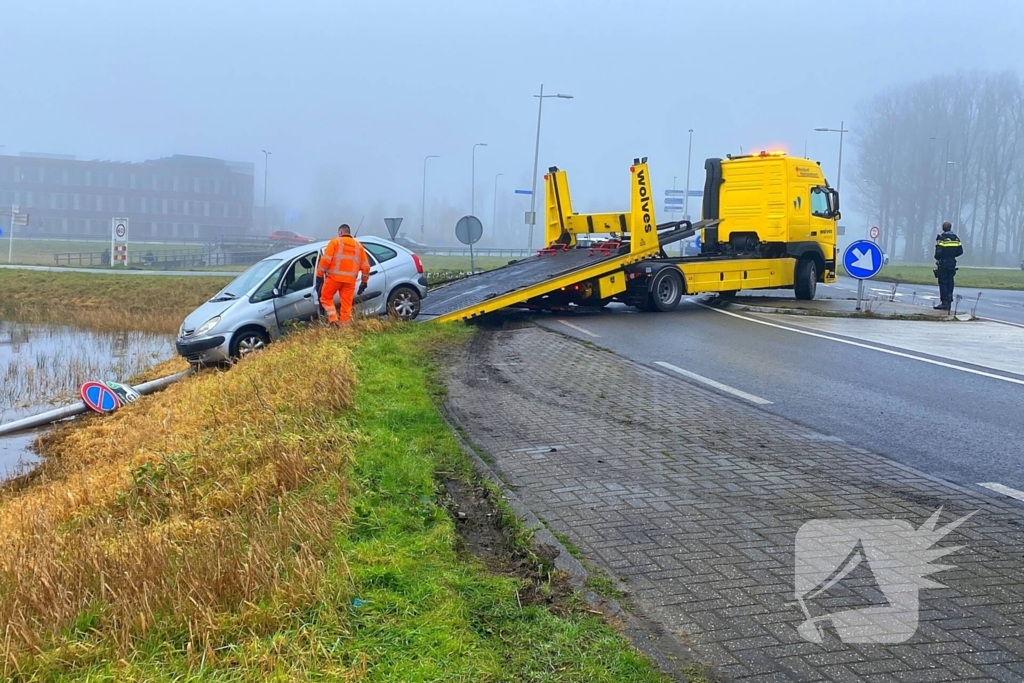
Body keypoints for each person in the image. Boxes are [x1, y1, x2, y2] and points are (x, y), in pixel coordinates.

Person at [316, 223, 370, 325]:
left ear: (340, 232)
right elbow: (366, 267)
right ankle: (344, 328)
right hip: (350, 282)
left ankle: (333, 319)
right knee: (346, 306)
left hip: (334, 279)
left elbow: (325, 260)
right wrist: (364, 282)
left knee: (325, 298)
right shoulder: (359, 246)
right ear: (349, 233)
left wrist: (319, 275)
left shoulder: (335, 242)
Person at [933, 221, 964, 311]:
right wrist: (952, 255)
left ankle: (944, 302)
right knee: (950, 281)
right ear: (950, 228)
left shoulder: (942, 238)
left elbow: (938, 253)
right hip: (952, 263)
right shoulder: (956, 238)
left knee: (943, 282)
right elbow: (960, 251)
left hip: (943, 263)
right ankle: (949, 298)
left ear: (943, 228)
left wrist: (939, 257)